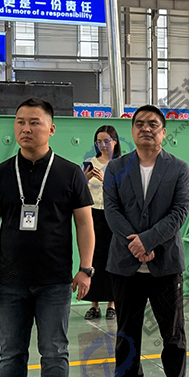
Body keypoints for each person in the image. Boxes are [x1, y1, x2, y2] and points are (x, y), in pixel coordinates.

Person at [0, 98, 94, 377]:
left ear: (51, 129)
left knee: (54, 351)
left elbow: (85, 225)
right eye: (20, 122)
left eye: (34, 122)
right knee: (11, 352)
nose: (26, 128)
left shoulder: (70, 173)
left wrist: (85, 269)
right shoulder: (0, 173)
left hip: (55, 281)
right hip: (9, 281)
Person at [100, 105, 189, 377]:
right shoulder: (116, 168)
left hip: (165, 263)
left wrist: (149, 241)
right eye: (139, 124)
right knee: (127, 331)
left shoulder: (178, 168)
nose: (146, 129)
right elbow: (112, 210)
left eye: (153, 124)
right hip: (125, 264)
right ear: (132, 131)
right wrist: (136, 245)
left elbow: (179, 212)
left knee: (172, 332)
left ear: (164, 132)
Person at [83, 125, 121, 321]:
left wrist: (106, 180)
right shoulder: (89, 163)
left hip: (112, 215)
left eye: (106, 141)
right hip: (93, 214)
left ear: (115, 141)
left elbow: (124, 192)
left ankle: (112, 304)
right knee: (93, 258)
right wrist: (86, 178)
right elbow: (78, 189)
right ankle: (94, 305)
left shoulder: (121, 164)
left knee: (112, 259)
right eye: (99, 142)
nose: (103, 145)